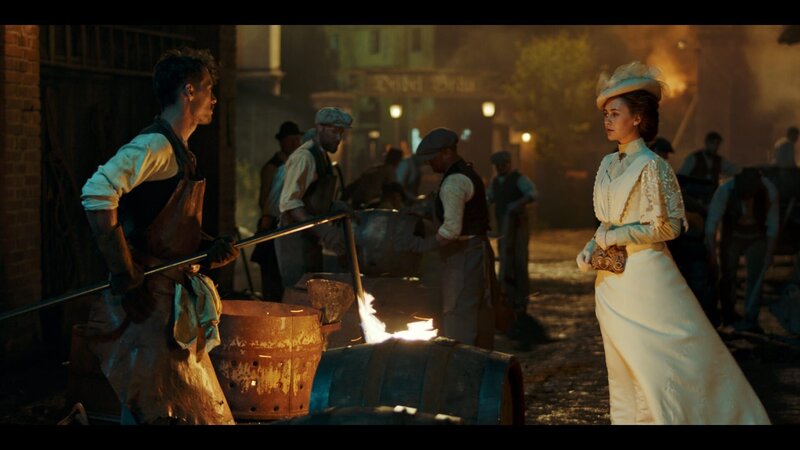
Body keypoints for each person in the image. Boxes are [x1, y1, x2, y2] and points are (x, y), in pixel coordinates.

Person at [575, 61, 770, 424]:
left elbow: (670, 225)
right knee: (622, 371)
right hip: (610, 282)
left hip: (647, 279)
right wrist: (592, 245)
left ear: (637, 118)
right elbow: (607, 219)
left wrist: (615, 236)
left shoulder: (653, 166)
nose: (608, 120)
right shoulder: (607, 164)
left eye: (616, 113)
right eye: (606, 113)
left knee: (657, 367)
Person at [80, 48, 239, 424]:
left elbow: (162, 221)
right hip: (148, 299)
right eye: (208, 89)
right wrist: (124, 272)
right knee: (148, 407)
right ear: (188, 91)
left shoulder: (180, 150)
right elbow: (97, 191)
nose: (213, 99)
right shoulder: (155, 145)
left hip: (170, 298)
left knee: (170, 406)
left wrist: (204, 245)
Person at [413, 128, 495, 350]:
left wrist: (419, 246)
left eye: (432, 158)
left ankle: (461, 368)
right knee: (473, 311)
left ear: (447, 152)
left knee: (457, 314)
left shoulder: (453, 183)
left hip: (464, 255)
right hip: (475, 251)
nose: (430, 164)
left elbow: (450, 230)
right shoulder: (466, 172)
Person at [275, 107, 351, 289]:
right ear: (319, 128)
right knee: (298, 296)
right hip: (294, 239)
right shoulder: (304, 157)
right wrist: (325, 231)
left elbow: (315, 198)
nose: (339, 138)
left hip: (310, 238)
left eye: (341, 132)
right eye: (334, 131)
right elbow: (290, 204)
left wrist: (335, 207)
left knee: (312, 293)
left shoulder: (322, 156)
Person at [705, 167, 779, 332]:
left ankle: (750, 319)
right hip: (732, 236)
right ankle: (729, 316)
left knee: (756, 276)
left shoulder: (769, 191)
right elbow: (712, 225)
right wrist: (712, 254)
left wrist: (769, 253)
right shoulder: (725, 191)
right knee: (728, 276)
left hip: (756, 236)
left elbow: (773, 225)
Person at [250, 121, 303, 301]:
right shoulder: (272, 167)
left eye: (298, 139)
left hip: (288, 230)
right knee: (272, 281)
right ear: (282, 142)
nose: (296, 143)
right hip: (273, 228)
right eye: (292, 140)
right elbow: (264, 200)